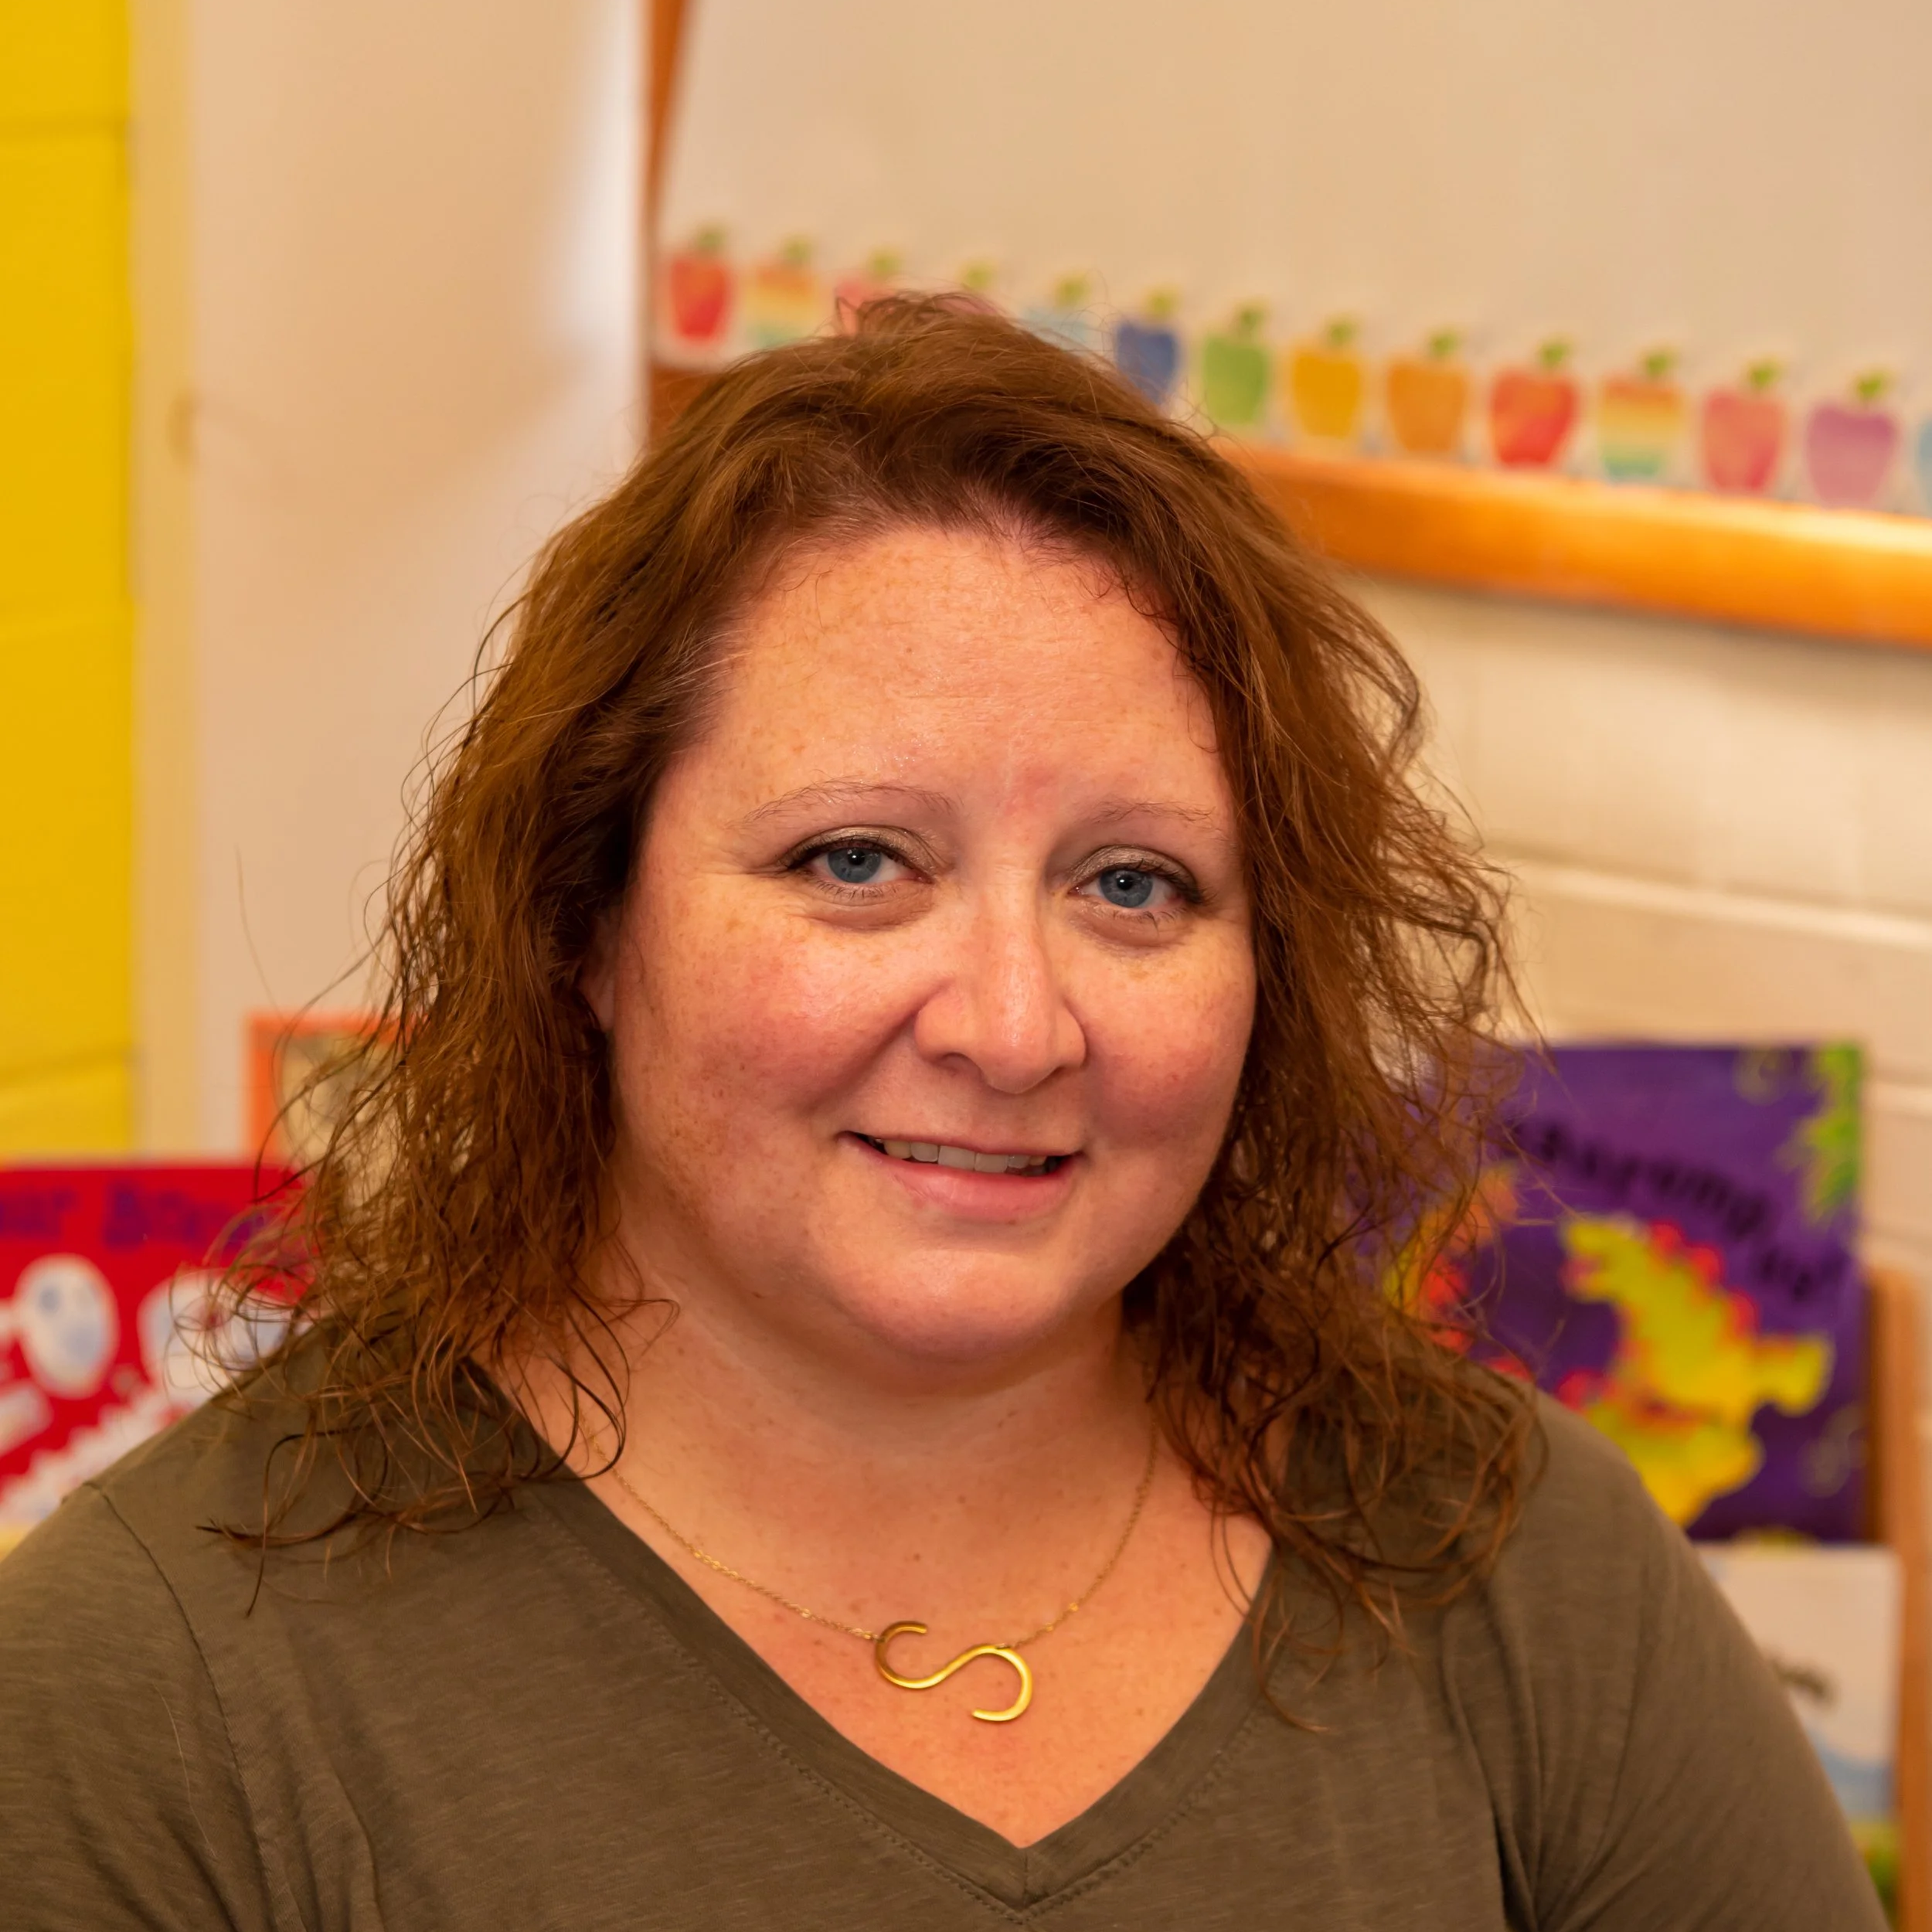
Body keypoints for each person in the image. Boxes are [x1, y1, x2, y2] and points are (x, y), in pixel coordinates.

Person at [0, 301, 1880, 1928]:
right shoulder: (161, 1680)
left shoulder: (1520, 1571)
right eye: (855, 860)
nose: (1009, 1022)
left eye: (1134, 885)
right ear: (582, 914)